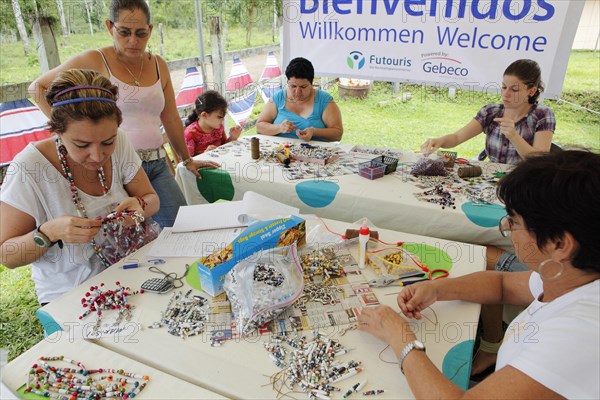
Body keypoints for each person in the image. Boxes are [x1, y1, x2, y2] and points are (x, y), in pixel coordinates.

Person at [358, 150, 599, 399]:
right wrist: (437, 289)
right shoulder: (568, 274)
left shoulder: (580, 334)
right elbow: (503, 285)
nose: (506, 227)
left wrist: (401, 337)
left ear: (559, 244)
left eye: (514, 222)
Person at [28, 0, 218, 228]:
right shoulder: (94, 60)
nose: (133, 41)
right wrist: (65, 130)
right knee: (128, 236)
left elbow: (170, 118)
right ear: (110, 27)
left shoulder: (158, 64)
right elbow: (37, 88)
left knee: (181, 226)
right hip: (116, 166)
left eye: (141, 33)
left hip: (157, 162)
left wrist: (186, 159)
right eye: (124, 32)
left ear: (150, 30)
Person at [0, 69, 160, 304]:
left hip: (131, 269)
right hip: (73, 295)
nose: (97, 155)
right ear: (57, 132)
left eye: (108, 142)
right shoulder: (29, 167)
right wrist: (49, 233)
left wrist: (139, 207)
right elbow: (7, 255)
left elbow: (151, 199)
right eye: (82, 144)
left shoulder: (121, 141)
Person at [421, 59, 555, 164]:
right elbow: (457, 138)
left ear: (531, 91)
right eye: (503, 87)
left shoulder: (542, 115)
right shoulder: (491, 112)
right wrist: (439, 141)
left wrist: (513, 136)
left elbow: (539, 161)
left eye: (514, 90)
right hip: (492, 181)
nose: (506, 94)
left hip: (524, 184)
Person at [256, 57, 343, 142]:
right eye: (293, 86)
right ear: (287, 82)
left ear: (312, 83)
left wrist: (315, 132)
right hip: (281, 152)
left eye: (303, 87)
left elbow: (338, 134)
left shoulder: (324, 100)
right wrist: (279, 128)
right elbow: (259, 127)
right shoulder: (278, 98)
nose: (298, 92)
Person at [184, 90, 243, 157]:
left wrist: (233, 137)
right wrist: (205, 154)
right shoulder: (190, 133)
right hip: (202, 166)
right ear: (204, 115)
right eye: (219, 117)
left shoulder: (219, 128)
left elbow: (224, 147)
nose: (223, 120)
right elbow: (187, 162)